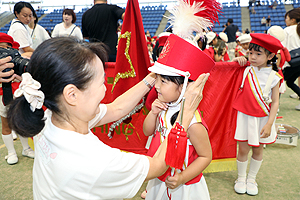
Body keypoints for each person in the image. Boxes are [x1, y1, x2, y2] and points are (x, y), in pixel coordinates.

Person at [6, 37, 209, 199]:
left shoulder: (49, 114)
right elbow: (157, 166)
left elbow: (117, 108)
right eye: (102, 82)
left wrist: (153, 76)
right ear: (72, 94)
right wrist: (186, 113)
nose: (105, 89)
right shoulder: (94, 160)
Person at [144, 34, 213, 200]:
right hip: (159, 177)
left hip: (184, 186)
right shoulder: (163, 106)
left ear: (184, 87)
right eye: (157, 80)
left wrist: (182, 178)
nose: (157, 86)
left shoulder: (194, 124)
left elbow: (205, 156)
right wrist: (153, 114)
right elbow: (147, 132)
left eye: (163, 81)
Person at [232, 33, 284, 196]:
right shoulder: (245, 70)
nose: (252, 57)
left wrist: (269, 123)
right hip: (244, 117)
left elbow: (275, 102)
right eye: (250, 53)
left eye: (258, 54)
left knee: (258, 150)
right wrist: (236, 61)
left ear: (270, 56)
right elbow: (227, 71)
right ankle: (241, 178)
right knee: (243, 149)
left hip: (262, 119)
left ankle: (251, 179)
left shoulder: (275, 77)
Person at [0, 33, 35, 165]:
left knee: (21, 121)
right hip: (2, 95)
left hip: (18, 91)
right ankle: (11, 152)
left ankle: (26, 148)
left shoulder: (17, 58)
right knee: (6, 124)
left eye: (8, 49)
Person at [282, 8, 300, 110]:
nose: (285, 20)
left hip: (291, 62)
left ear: (293, 20)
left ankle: (274, 107)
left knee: (277, 82)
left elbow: (282, 46)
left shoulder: (287, 30)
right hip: (298, 63)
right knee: (289, 82)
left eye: (287, 18)